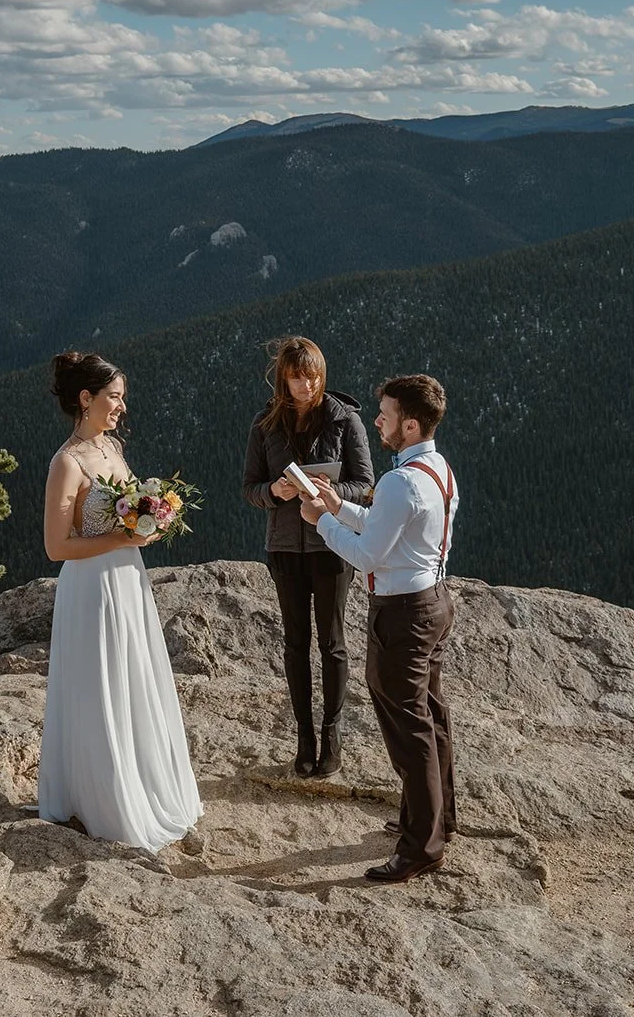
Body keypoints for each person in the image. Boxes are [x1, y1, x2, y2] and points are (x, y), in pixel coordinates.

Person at [37, 351, 202, 852]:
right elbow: (55, 547)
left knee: (131, 680)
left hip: (128, 581)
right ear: (85, 399)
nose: (120, 408)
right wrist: (126, 538)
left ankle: (144, 783)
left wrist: (148, 519)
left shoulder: (110, 448)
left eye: (122, 399)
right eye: (113, 398)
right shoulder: (67, 462)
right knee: (100, 688)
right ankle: (104, 800)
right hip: (91, 588)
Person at [300, 374, 459, 883]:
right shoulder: (437, 470)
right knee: (431, 719)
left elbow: (368, 553)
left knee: (408, 730)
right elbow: (386, 522)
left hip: (402, 612)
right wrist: (337, 506)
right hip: (434, 600)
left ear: (409, 424)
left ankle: (420, 847)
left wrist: (320, 524)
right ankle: (438, 820)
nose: (378, 421)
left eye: (386, 415)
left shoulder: (398, 481)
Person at [243, 337, 374, 779]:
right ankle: (304, 737)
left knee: (332, 641)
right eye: (299, 376)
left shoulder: (345, 419)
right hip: (283, 546)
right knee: (295, 644)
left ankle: (332, 733)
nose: (308, 384)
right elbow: (250, 489)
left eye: (315, 375)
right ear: (285, 376)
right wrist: (273, 492)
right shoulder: (264, 424)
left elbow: (367, 485)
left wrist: (334, 495)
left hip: (333, 545)